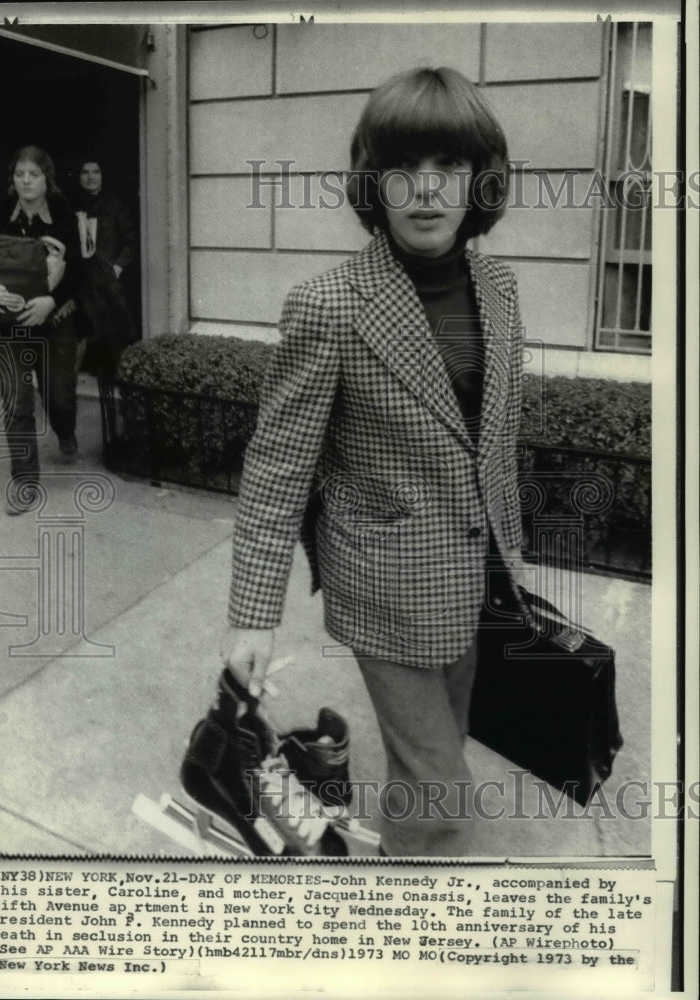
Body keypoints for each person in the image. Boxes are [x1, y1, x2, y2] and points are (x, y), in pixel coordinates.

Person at [220, 67, 527, 856]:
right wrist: (253, 613)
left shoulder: (499, 288)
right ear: (373, 181)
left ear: (476, 180)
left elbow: (491, 434)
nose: (425, 191)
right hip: (383, 582)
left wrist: (511, 551)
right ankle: (406, 919)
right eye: (402, 169)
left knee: (439, 741)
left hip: (477, 573)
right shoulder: (329, 305)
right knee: (442, 792)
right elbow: (277, 464)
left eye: (448, 168)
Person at [0, 145, 81, 515]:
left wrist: (50, 302)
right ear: (13, 179)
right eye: (19, 174)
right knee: (17, 402)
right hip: (7, 325)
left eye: (33, 174)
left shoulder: (65, 217)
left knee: (59, 396)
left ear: (46, 179)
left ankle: (65, 428)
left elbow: (83, 272)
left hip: (54, 321)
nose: (25, 181)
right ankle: (24, 482)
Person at [73, 158, 138, 376]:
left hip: (106, 277)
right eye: (85, 172)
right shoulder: (71, 205)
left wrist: (118, 267)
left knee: (111, 324)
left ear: (103, 175)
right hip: (81, 277)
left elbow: (130, 241)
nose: (90, 177)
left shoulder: (115, 206)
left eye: (95, 171)